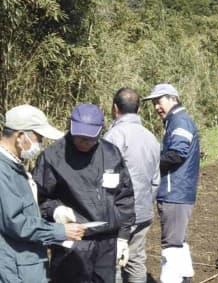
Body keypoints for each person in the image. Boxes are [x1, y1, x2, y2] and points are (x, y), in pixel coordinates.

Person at [34, 103, 135, 283]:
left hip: (107, 242)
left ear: (99, 132)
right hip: (72, 243)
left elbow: (124, 198)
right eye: (79, 136)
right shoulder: (53, 156)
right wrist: (55, 210)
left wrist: (122, 238)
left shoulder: (111, 154)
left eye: (89, 138)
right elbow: (39, 199)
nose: (84, 142)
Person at [0, 105, 86, 283]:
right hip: (15, 269)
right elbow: (16, 223)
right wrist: (59, 231)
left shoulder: (14, 165)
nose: (40, 144)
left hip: (25, 263)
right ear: (20, 136)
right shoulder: (3, 171)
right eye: (38, 138)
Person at [143, 83, 200, 283]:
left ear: (173, 98)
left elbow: (177, 153)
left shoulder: (180, 121)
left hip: (175, 192)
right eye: (154, 103)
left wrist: (149, 162)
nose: (156, 107)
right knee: (178, 242)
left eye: (159, 101)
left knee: (171, 246)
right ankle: (185, 278)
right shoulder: (174, 121)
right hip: (178, 191)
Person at [105, 88, 161, 283]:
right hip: (143, 210)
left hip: (118, 213)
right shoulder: (151, 138)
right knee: (136, 260)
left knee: (113, 260)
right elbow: (156, 180)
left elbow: (104, 177)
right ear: (138, 109)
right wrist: (144, 201)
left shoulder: (114, 136)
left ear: (114, 108)